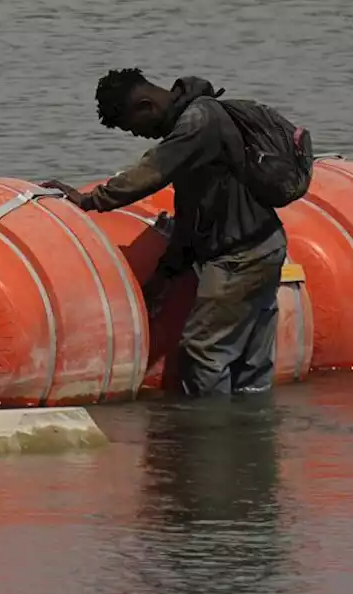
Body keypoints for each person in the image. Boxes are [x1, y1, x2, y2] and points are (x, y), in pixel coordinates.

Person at [42, 69, 288, 398]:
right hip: (264, 245)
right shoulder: (202, 120)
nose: (139, 136)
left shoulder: (197, 123)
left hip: (238, 259)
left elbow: (151, 171)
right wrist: (168, 271)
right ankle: (249, 439)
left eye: (133, 127)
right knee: (250, 365)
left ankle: (210, 439)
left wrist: (90, 200)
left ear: (146, 106)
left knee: (202, 355)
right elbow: (192, 215)